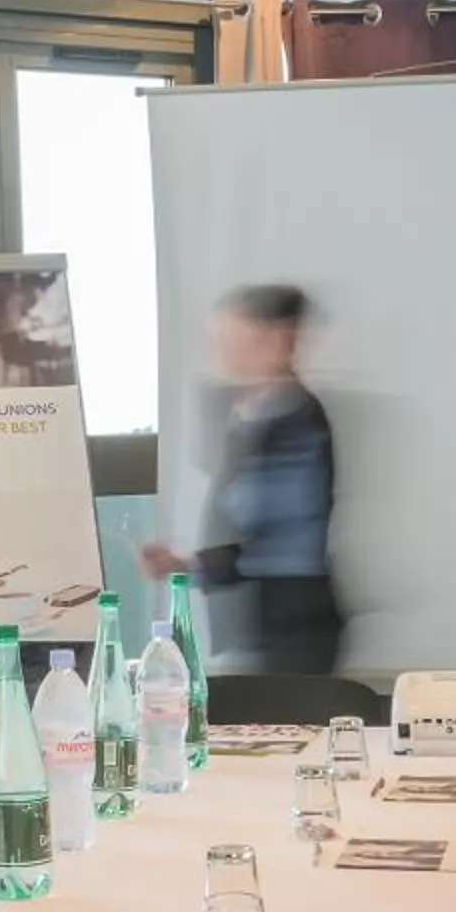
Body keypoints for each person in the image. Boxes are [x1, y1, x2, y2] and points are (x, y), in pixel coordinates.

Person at [138, 284, 340, 673]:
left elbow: (279, 542)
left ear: (277, 340)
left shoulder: (297, 424)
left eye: (235, 339)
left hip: (293, 630)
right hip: (260, 625)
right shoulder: (253, 417)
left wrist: (191, 565)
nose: (225, 354)